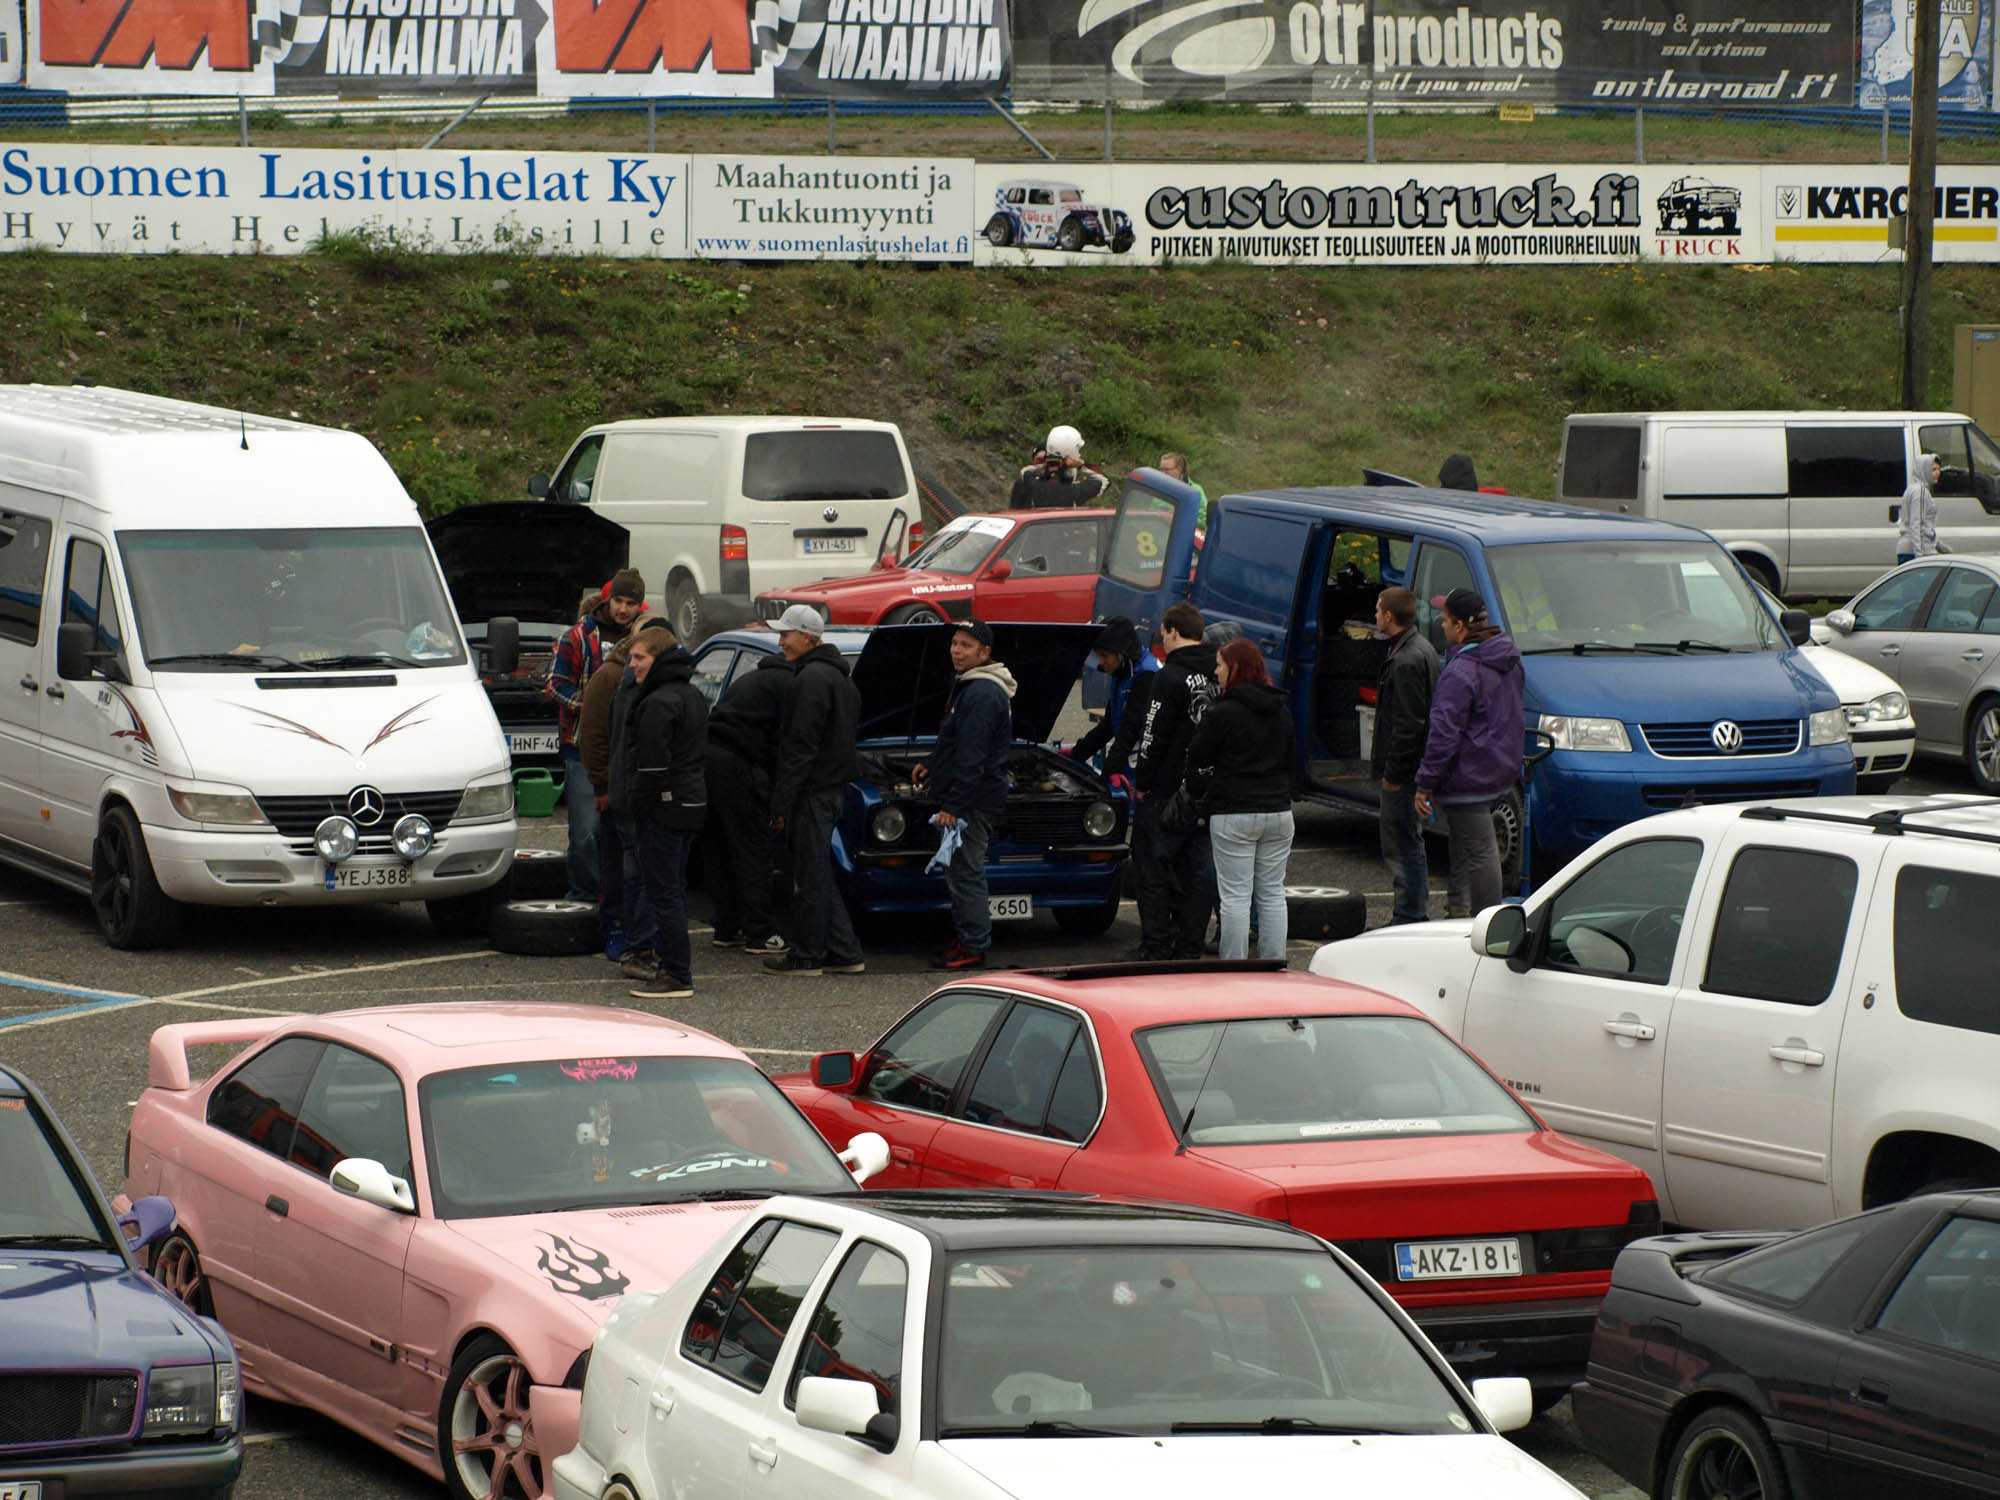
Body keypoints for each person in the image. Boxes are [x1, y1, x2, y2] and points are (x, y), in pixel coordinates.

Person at [766, 604, 867, 978]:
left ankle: (806, 955)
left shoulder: (809, 680)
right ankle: (844, 951)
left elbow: (799, 747)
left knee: (809, 876)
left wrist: (781, 801)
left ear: (807, 637)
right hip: (832, 789)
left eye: (786, 635)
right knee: (819, 872)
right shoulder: (842, 679)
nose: (781, 642)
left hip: (812, 791)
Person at [1413, 587, 1524, 920]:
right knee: (1464, 846)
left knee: (1479, 853)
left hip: (1468, 776)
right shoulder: (1508, 661)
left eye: (1445, 619)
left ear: (1460, 626)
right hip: (1499, 770)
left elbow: (1443, 732)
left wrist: (1425, 782)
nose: (1441, 625)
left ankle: (1486, 924)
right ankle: (1459, 912)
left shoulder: (1460, 671)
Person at [914, 620, 1018, 971]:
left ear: (985, 653)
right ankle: (966, 936)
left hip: (971, 804)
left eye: (967, 646)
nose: (957, 651)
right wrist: (931, 764)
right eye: (955, 644)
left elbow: (972, 757)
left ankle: (974, 946)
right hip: (969, 798)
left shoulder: (982, 694)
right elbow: (956, 742)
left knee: (966, 874)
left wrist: (954, 807)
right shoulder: (971, 688)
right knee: (960, 873)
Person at [1184, 639, 1295, 960]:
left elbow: (1199, 753)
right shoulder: (1281, 710)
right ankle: (1275, 964)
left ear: (1235, 668)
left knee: (1235, 897)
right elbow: (1291, 758)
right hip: (1277, 811)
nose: (1215, 671)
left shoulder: (1223, 712)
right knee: (1273, 893)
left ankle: (1234, 970)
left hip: (1234, 811)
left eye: (1220, 664)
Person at [617, 623, 707, 999]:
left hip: (666, 807)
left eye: (639, 658)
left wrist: (636, 807)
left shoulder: (657, 702)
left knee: (663, 891)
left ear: (658, 657)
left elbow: (652, 767)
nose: (632, 665)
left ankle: (675, 973)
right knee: (675, 889)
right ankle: (676, 968)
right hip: (693, 802)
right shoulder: (692, 694)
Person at [550, 568, 645, 904]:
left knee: (621, 832)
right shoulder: (577, 636)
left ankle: (617, 899)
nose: (623, 608)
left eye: (631, 602)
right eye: (618, 600)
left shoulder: (642, 638)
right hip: (581, 748)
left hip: (626, 750)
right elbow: (556, 685)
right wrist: (591, 708)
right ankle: (584, 897)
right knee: (586, 832)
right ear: (608, 599)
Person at [1132, 601, 1219, 959]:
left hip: (1167, 792)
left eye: (1163, 632)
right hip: (1207, 789)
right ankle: (1189, 944)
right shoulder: (1218, 671)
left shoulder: (1168, 677)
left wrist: (1143, 779)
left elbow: (1153, 734)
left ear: (1172, 631)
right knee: (1196, 873)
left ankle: (1156, 945)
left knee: (1152, 869)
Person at [703, 649, 794, 957]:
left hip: (708, 761)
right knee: (752, 849)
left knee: (718, 849)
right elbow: (782, 748)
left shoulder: (751, 678)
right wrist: (777, 805)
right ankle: (760, 933)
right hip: (740, 766)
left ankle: (726, 928)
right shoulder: (790, 686)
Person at [579, 628, 657, 973]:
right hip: (616, 789)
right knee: (616, 864)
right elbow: (594, 735)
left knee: (631, 864)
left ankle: (635, 931)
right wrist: (601, 786)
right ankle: (614, 927)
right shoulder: (610, 676)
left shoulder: (641, 679)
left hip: (633, 790)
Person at [1372, 586, 1439, 926]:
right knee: (1407, 841)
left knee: (1402, 844)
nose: (1375, 615)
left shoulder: (1407, 660)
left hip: (1405, 773)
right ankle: (1410, 910)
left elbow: (1409, 723)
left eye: (1378, 610)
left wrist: (1394, 774)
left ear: (1389, 616)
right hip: (1413, 768)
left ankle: (1409, 914)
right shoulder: (1418, 649)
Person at [1065, 616, 1158, 782]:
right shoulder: (1122, 671)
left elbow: (1130, 728)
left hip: (1145, 770)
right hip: (1129, 761)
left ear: (1121, 653)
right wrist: (1078, 752)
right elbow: (1109, 724)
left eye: (1105, 656)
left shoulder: (1146, 675)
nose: (1101, 662)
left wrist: (1112, 769)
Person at [1008, 424, 1110, 509]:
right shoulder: (1075, 491)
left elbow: (1025, 471)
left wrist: (1047, 460)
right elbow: (1105, 481)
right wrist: (1081, 465)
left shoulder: (1030, 484)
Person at [1898, 452, 1951, 563]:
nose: (1938, 473)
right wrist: (1920, 557)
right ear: (1923, 470)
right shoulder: (1920, 492)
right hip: (1918, 553)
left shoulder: (1912, 489)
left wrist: (1940, 546)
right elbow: (1917, 524)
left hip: (1909, 551)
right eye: (1933, 470)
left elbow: (1926, 528)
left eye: (1938, 469)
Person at [1158, 451, 1209, 525]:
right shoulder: (1158, 487)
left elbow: (1203, 522)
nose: (1162, 473)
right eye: (1161, 469)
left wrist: (1177, 518)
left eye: (1166, 470)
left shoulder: (1195, 491)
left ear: (1179, 469)